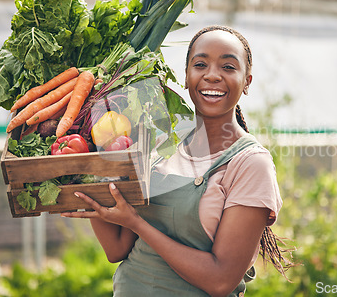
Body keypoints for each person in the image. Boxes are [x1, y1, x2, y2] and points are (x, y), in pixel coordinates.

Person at [61, 25, 294, 296]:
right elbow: (117, 248)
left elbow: (220, 280)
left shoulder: (250, 164)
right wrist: (88, 170)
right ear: (186, 77)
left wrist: (137, 223)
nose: (212, 75)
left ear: (247, 82)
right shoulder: (160, 146)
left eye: (228, 67)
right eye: (200, 64)